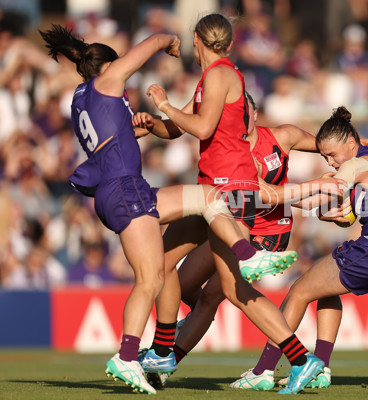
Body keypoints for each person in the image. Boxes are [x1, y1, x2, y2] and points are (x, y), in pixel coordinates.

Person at [39, 24, 293, 395]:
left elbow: (118, 137)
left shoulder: (82, 101)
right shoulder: (107, 82)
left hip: (125, 190)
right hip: (126, 189)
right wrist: (171, 42)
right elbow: (153, 43)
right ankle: (127, 356)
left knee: (208, 200)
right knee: (150, 279)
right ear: (109, 68)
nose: (124, 85)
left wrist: (146, 126)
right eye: (119, 72)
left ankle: (238, 262)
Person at [132, 14, 323, 394]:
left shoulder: (220, 75)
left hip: (229, 189)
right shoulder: (212, 78)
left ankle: (164, 349)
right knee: (166, 263)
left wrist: (165, 104)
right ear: (229, 43)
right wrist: (153, 123)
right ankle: (163, 350)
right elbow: (180, 127)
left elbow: (200, 128)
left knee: (217, 282)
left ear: (197, 41)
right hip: (213, 189)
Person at [166, 94, 368, 390]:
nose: (237, 119)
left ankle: (169, 360)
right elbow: (261, 196)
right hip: (233, 228)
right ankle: (191, 327)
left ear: (255, 114)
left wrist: (363, 147)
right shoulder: (231, 154)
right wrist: (315, 193)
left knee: (214, 296)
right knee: (182, 286)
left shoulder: (283, 136)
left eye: (242, 112)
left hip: (265, 234)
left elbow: (330, 144)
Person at [232, 105, 368, 392]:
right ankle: (321, 368)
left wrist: (273, 194)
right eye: (323, 155)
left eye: (332, 155)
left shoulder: (354, 165)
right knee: (324, 289)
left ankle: (263, 370)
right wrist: (329, 204)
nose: (330, 161)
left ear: (351, 144)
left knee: (298, 292)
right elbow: (338, 212)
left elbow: (324, 198)